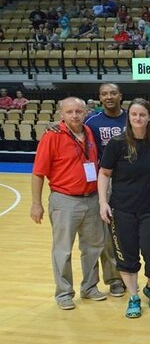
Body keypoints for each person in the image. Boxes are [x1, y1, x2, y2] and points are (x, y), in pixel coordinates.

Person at [98, 98, 150, 318]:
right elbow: (104, 174)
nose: (138, 118)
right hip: (122, 210)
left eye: (142, 114)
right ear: (128, 117)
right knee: (127, 255)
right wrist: (103, 202)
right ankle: (133, 296)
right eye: (134, 115)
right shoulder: (117, 143)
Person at [31, 97, 106, 310]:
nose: (75, 115)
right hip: (65, 200)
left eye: (79, 111)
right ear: (61, 114)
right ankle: (64, 293)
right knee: (63, 250)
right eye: (70, 112)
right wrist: (36, 203)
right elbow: (38, 173)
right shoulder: (51, 136)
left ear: (85, 113)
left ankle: (90, 287)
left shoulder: (89, 132)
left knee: (93, 247)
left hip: (91, 198)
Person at [84, 83, 127, 296]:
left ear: (120, 95)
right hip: (107, 180)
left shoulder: (132, 117)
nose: (109, 97)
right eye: (104, 94)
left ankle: (129, 272)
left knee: (127, 230)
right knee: (107, 233)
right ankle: (114, 279)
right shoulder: (92, 122)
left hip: (131, 180)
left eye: (112, 93)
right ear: (100, 98)